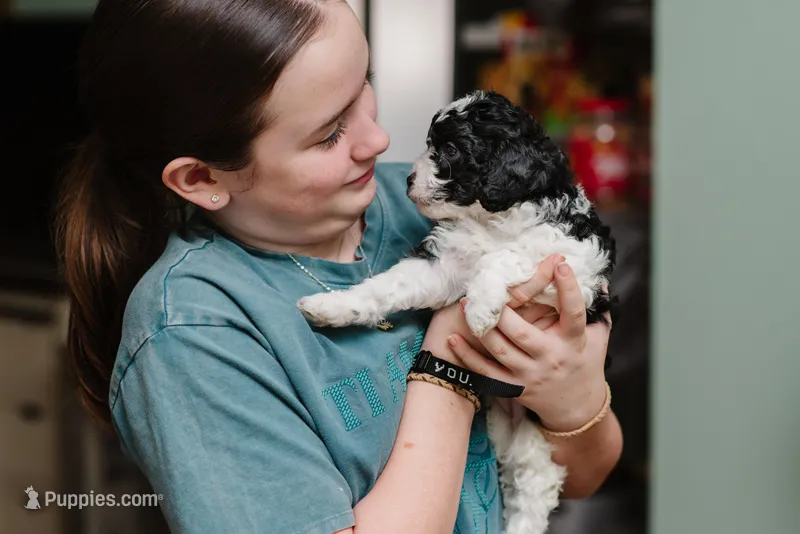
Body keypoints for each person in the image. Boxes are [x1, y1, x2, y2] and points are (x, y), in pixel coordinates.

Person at [55, 1, 622, 533]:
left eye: (364, 86)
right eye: (329, 133)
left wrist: (573, 400)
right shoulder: (193, 335)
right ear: (203, 179)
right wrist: (449, 363)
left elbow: (583, 476)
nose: (378, 139)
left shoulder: (434, 208)